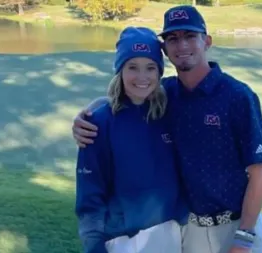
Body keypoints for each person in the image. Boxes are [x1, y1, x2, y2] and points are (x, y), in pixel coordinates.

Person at [72, 5, 262, 253]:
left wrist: (244, 238)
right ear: (165, 49)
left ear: (206, 41)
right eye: (173, 38)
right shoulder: (167, 94)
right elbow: (130, 98)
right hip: (191, 231)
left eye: (190, 36)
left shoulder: (237, 96)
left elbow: (260, 172)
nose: (182, 45)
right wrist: (91, 114)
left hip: (239, 226)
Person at [74, 26, 188, 253]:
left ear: (159, 72)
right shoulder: (98, 122)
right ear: (120, 70)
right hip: (124, 240)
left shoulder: (169, 112)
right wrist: (94, 245)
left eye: (150, 68)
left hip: (172, 233)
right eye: (132, 67)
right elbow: (90, 195)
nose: (142, 77)